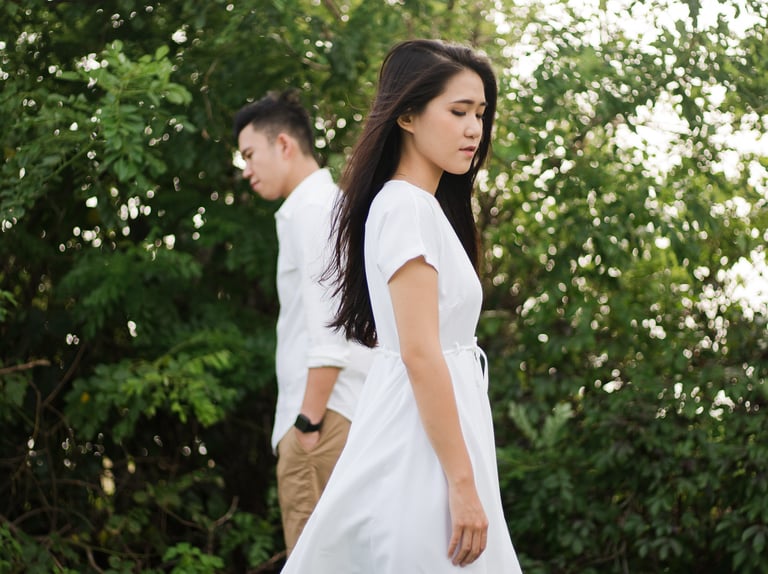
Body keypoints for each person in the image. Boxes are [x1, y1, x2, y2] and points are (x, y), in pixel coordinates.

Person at [281, 39, 523, 573]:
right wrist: (462, 484)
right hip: (420, 439)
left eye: (480, 114)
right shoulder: (405, 207)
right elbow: (419, 352)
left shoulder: (418, 207)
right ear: (408, 115)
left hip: (435, 427)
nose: (473, 129)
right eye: (458, 112)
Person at [233, 90, 370, 555]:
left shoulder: (312, 210)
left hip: (322, 421)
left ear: (285, 145)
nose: (246, 169)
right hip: (334, 417)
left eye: (250, 155)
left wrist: (307, 425)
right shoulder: (324, 207)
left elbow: (330, 332)